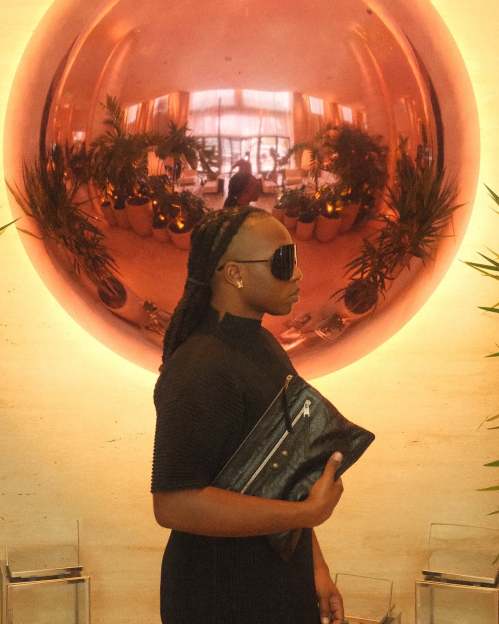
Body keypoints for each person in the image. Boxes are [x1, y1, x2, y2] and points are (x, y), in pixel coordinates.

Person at [151, 205, 345, 624]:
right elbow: (173, 503)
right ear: (235, 274)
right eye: (282, 262)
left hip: (276, 582)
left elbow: (283, 473)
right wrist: (305, 514)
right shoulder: (199, 367)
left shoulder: (264, 346)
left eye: (295, 259)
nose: (298, 274)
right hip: (217, 595)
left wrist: (315, 567)